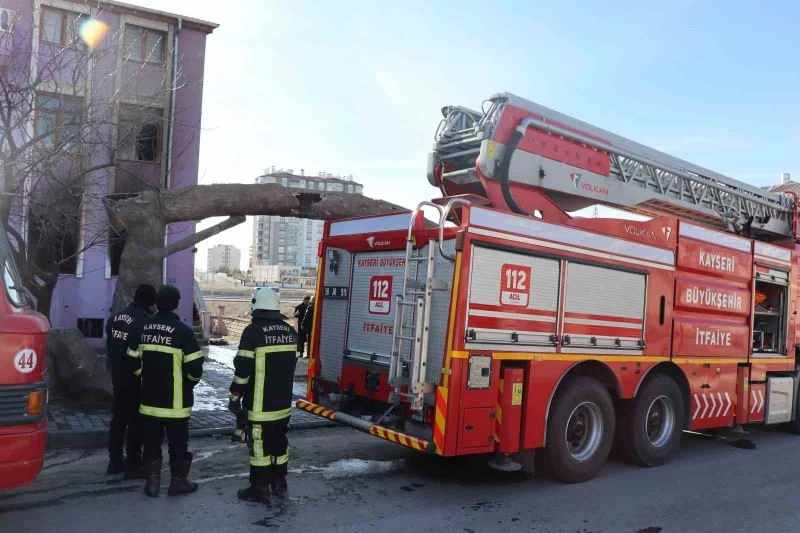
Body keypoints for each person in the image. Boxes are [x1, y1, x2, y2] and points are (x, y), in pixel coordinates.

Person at [126, 285, 205, 498]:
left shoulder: (143, 328)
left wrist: (143, 374)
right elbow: (196, 369)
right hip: (176, 405)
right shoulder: (183, 332)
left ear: (157, 303)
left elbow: (131, 358)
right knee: (178, 445)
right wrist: (188, 384)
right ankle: (178, 483)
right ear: (177, 304)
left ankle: (152, 484)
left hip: (149, 402)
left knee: (151, 444)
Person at [229, 288, 297, 503]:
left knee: (259, 444)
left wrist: (236, 394)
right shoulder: (289, 331)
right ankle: (279, 481)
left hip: (260, 405)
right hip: (283, 403)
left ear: (255, 306)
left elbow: (243, 368)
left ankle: (259, 487)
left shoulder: (253, 332)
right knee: (279, 442)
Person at [105, 284, 156, 477]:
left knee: (118, 420)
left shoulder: (115, 319)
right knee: (136, 422)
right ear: (151, 302)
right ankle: (134, 464)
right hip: (136, 379)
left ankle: (114, 462)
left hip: (117, 377)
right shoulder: (144, 322)